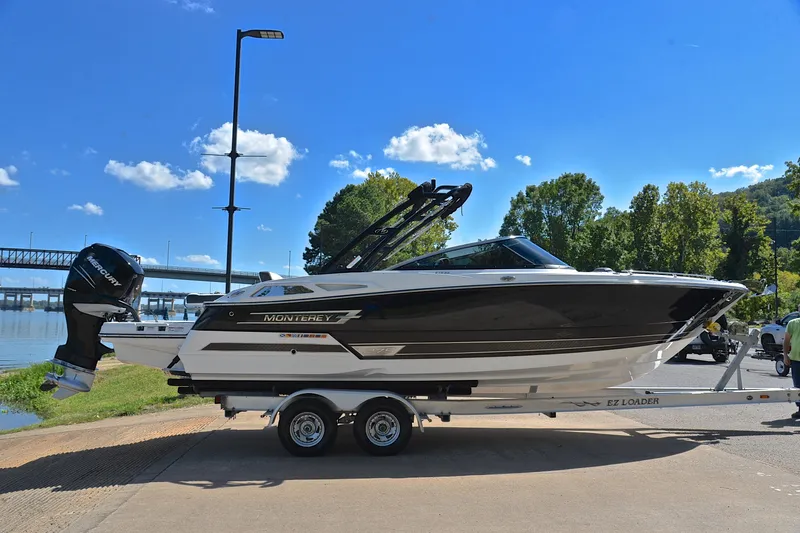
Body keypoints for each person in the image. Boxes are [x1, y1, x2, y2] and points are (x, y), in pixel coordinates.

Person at [781, 315, 800, 419]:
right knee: (798, 386)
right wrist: (785, 355)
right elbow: (787, 340)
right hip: (796, 359)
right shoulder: (792, 323)